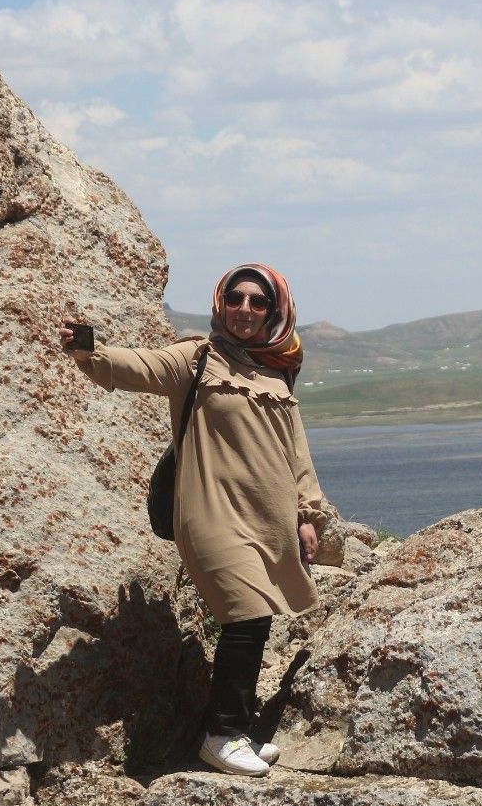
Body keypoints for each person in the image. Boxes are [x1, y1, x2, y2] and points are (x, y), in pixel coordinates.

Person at [58, 263, 325, 777]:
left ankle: (238, 729)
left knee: (257, 619)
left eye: (258, 301)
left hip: (268, 520)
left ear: (274, 311)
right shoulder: (198, 358)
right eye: (235, 297)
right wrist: (91, 350)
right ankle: (221, 736)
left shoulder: (277, 370)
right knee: (245, 614)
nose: (245, 309)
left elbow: (296, 452)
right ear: (220, 303)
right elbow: (141, 367)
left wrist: (306, 515)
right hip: (212, 515)